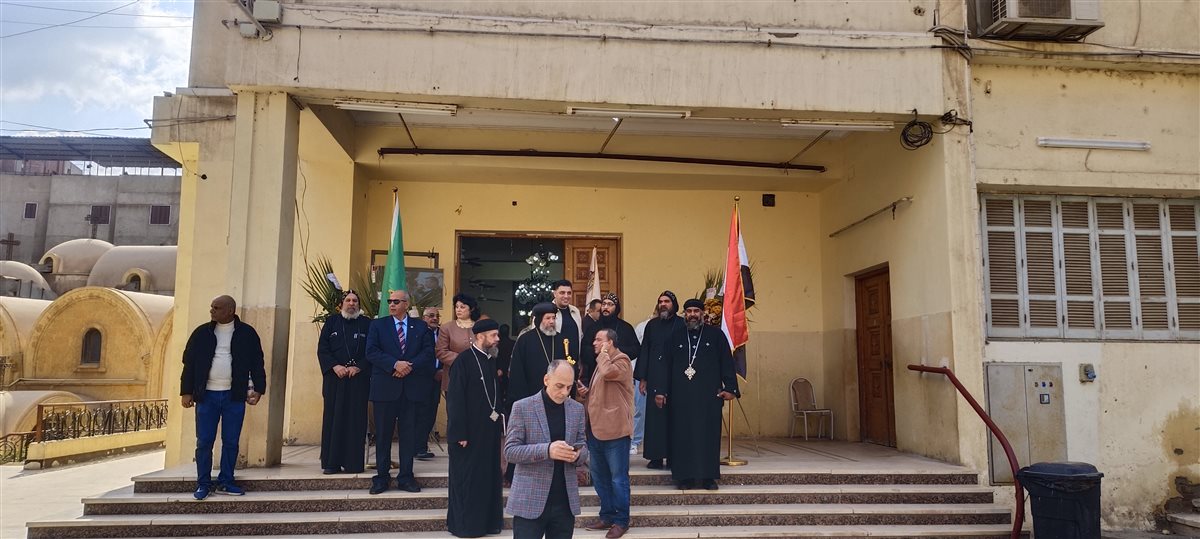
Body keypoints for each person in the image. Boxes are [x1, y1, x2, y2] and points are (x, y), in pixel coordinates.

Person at [180, 295, 266, 500]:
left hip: (233, 396)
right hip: (206, 396)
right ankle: (203, 484)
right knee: (204, 441)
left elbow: (257, 362)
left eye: (216, 308)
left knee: (231, 441)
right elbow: (189, 363)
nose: (212, 311)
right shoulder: (202, 333)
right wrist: (186, 391)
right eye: (211, 307)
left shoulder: (247, 333)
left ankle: (226, 481)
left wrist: (259, 389)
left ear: (230, 310)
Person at [505, 360, 589, 539]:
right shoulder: (522, 407)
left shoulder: (577, 410)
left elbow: (583, 446)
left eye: (569, 387)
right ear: (546, 379)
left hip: (564, 502)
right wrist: (547, 450)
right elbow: (510, 451)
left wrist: (577, 455)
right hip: (530, 500)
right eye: (559, 386)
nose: (564, 392)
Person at [365, 289, 437, 494]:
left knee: (408, 435)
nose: (392, 304)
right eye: (390, 301)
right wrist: (394, 364)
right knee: (383, 435)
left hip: (411, 389)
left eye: (396, 301)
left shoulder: (420, 327)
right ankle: (381, 477)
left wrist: (408, 366)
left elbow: (428, 353)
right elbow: (371, 351)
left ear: (406, 304)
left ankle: (406, 477)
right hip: (385, 388)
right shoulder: (378, 325)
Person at [668, 299, 740, 490]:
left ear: (702, 314)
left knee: (708, 437)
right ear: (684, 314)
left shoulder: (716, 335)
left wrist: (730, 388)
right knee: (682, 436)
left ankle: (709, 477)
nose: (692, 314)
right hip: (681, 397)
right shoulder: (676, 336)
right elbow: (666, 365)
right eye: (689, 311)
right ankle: (684, 478)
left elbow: (727, 363)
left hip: (708, 397)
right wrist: (662, 391)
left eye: (696, 311)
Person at [446, 319, 505, 538]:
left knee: (487, 478)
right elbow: (455, 400)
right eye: (493, 335)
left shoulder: (490, 360)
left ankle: (488, 523)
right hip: (468, 434)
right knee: (468, 480)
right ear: (480, 336)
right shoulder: (463, 361)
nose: (497, 339)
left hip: (488, 431)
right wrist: (459, 432)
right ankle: (467, 526)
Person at [577, 329, 634, 539]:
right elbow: (604, 392)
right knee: (600, 478)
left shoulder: (622, 360)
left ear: (610, 342)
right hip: (596, 430)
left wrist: (603, 354)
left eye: (599, 340)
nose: (594, 343)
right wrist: (586, 393)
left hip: (616, 431)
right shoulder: (603, 362)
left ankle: (622, 521)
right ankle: (607, 515)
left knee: (618, 479)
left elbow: (609, 373)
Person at [316, 290, 372, 474]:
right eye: (348, 300)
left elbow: (372, 350)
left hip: (358, 380)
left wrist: (359, 367)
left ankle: (353, 463)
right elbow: (323, 349)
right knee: (333, 419)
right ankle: (331, 463)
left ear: (359, 305)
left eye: (355, 301)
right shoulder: (331, 322)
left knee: (355, 420)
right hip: (335, 379)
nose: (351, 304)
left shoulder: (367, 324)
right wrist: (335, 366)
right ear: (341, 304)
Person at [633, 291, 685, 469]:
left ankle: (673, 456)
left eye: (667, 301)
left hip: (675, 376)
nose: (663, 304)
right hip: (655, 375)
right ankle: (655, 457)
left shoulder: (682, 324)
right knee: (655, 419)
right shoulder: (652, 325)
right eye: (660, 301)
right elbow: (645, 351)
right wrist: (643, 378)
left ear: (674, 304)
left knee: (674, 417)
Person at [580, 293, 639, 384]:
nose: (606, 307)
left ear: (616, 308)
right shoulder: (592, 327)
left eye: (610, 304)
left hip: (619, 376)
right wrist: (599, 352)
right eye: (604, 304)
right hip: (597, 376)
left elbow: (635, 350)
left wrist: (614, 351)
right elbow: (584, 351)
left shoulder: (626, 328)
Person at [415, 305, 443, 460]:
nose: (434, 319)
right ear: (423, 318)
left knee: (431, 413)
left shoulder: (442, 333)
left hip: (437, 380)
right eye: (431, 316)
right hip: (421, 379)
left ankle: (422, 446)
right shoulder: (418, 332)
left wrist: (441, 371)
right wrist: (432, 371)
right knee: (421, 414)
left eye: (437, 316)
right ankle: (418, 447)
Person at [630, 312, 652, 455]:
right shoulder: (642, 327)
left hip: (659, 373)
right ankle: (635, 441)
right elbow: (637, 352)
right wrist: (635, 373)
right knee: (640, 409)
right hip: (641, 373)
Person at [549, 280, 583, 362]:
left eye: (569, 293)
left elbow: (580, 336)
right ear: (555, 294)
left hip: (574, 362)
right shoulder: (546, 312)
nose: (566, 296)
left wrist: (580, 361)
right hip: (555, 363)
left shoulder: (575, 311)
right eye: (562, 293)